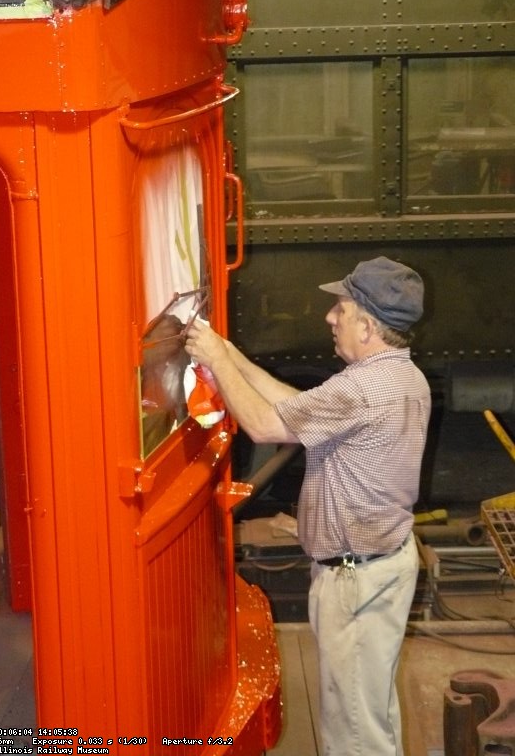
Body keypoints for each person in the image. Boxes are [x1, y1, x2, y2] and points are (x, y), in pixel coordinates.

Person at [184, 255, 431, 756]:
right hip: (377, 571)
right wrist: (230, 356)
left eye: (340, 309)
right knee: (368, 712)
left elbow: (264, 425)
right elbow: (294, 409)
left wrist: (216, 357)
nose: (330, 318)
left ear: (367, 325)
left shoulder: (365, 388)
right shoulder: (398, 378)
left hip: (357, 581)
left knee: (356, 732)